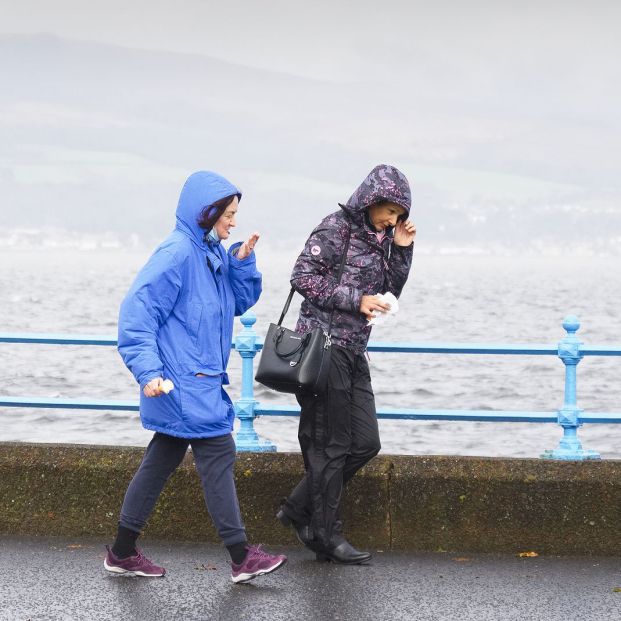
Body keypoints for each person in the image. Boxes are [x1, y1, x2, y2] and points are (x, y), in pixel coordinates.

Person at [104, 170, 287, 584]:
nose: (234, 222)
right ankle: (242, 557)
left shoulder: (212, 252)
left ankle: (121, 552)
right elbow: (136, 316)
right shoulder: (176, 254)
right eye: (229, 213)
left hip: (196, 381)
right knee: (218, 455)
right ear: (208, 211)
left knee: (160, 460)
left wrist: (241, 263)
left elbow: (237, 304)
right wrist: (147, 372)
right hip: (180, 383)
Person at [276, 164, 416, 564]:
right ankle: (325, 535)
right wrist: (356, 300)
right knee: (330, 446)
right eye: (389, 211)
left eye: (398, 215)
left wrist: (402, 248)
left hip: (354, 349)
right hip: (322, 348)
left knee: (365, 442)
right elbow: (302, 276)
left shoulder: (383, 238)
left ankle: (299, 510)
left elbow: (391, 287)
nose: (392, 219)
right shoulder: (334, 227)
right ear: (371, 200)